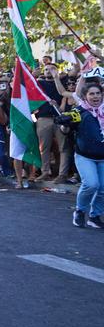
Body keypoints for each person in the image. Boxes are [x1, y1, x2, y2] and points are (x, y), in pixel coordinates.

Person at [64, 81, 104, 228]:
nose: (95, 96)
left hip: (102, 156)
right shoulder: (79, 112)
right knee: (91, 184)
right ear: (85, 96)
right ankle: (80, 211)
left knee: (102, 188)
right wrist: (64, 124)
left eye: (98, 93)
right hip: (85, 155)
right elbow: (66, 130)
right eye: (91, 94)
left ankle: (94, 217)